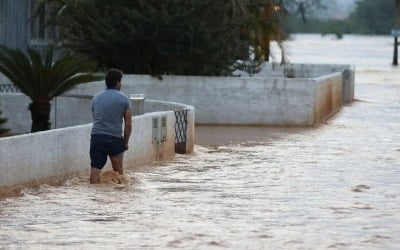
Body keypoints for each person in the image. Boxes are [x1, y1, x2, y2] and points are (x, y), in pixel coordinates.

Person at [89, 68, 132, 184]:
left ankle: (92, 198)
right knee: (119, 173)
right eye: (120, 82)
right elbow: (128, 124)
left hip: (97, 137)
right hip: (115, 139)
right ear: (118, 82)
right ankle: (119, 199)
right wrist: (126, 142)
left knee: (94, 171)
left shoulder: (96, 98)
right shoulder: (124, 99)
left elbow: (95, 118)